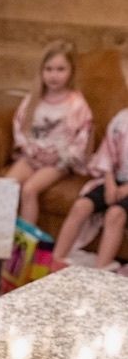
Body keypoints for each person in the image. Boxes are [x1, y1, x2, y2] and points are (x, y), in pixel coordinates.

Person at [6, 40, 93, 226]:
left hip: (57, 163)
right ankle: (1, 240)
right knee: (6, 185)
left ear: (71, 71)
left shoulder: (76, 103)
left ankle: (25, 249)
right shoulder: (33, 99)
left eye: (61, 69)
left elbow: (82, 137)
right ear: (42, 71)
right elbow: (20, 126)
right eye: (49, 69)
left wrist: (62, 157)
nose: (54, 75)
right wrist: (28, 149)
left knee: (30, 189)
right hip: (31, 157)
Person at [53, 107, 128, 271]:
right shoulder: (121, 119)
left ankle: (101, 269)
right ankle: (56, 260)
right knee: (81, 206)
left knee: (115, 214)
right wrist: (110, 185)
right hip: (114, 180)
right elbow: (106, 155)